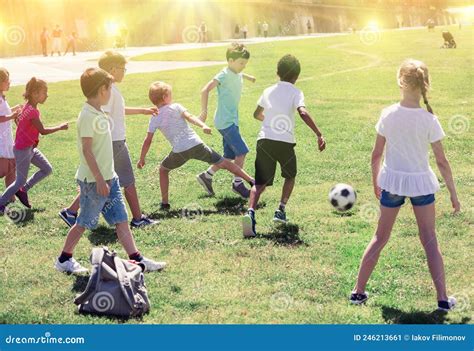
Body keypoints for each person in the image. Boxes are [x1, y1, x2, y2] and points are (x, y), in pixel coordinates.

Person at [350, 59, 460, 311]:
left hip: (392, 183)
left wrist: (375, 182)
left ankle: (358, 293)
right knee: (429, 239)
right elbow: (442, 162)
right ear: (424, 84)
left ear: (401, 82)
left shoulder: (388, 114)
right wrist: (454, 194)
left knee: (379, 237)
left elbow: (376, 154)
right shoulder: (429, 119)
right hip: (421, 184)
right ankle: (443, 300)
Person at [54, 68, 166, 274]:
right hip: (94, 181)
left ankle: (137, 259)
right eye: (109, 87)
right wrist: (98, 179)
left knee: (122, 220)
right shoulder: (87, 115)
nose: (111, 91)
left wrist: (107, 177)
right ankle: (64, 259)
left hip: (109, 178)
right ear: (101, 89)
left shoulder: (98, 111)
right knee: (83, 222)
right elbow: (87, 150)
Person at [59, 51, 157, 228]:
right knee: (127, 181)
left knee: (108, 179)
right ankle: (137, 218)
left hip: (114, 141)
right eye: (123, 68)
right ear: (113, 69)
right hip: (115, 141)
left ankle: (70, 211)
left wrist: (142, 110)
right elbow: (102, 114)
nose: (124, 72)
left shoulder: (109, 90)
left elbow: (118, 110)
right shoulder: (105, 91)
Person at [242, 55, 326, 237]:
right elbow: (302, 112)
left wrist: (270, 121)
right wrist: (319, 133)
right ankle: (280, 209)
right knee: (290, 176)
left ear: (277, 73)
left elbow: (256, 114)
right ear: (296, 76)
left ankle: (250, 212)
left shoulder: (268, 90)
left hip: (264, 140)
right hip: (285, 143)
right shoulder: (296, 92)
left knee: (259, 183)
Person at [138, 81, 255, 209]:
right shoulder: (176, 106)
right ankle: (251, 180)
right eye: (170, 94)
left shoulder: (154, 117)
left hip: (179, 152)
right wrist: (203, 125)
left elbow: (147, 140)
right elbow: (190, 117)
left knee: (163, 170)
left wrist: (142, 158)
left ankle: (165, 203)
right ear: (165, 97)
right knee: (224, 163)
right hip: (197, 145)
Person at [0, 78, 69, 214]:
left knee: (47, 169)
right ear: (35, 93)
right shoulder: (31, 111)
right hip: (23, 151)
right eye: (44, 92)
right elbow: (43, 131)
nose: (47, 95)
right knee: (19, 180)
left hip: (30, 148)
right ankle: (1, 202)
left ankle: (24, 189)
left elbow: (18, 120)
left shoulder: (29, 107)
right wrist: (60, 127)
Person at [197, 43, 256, 198]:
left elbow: (238, 74)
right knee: (242, 151)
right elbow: (205, 89)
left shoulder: (236, 71)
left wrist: (248, 76)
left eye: (245, 64)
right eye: (241, 63)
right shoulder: (223, 74)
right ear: (230, 60)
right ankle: (238, 184)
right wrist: (204, 111)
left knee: (229, 156)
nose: (243, 66)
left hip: (231, 120)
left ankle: (207, 175)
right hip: (225, 122)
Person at [0, 68, 22, 204]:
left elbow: (4, 112)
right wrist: (11, 116)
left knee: (11, 170)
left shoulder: (2, 97)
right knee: (4, 169)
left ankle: (10, 198)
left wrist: (15, 109)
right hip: (1, 141)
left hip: (7, 139)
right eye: (7, 80)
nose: (10, 83)